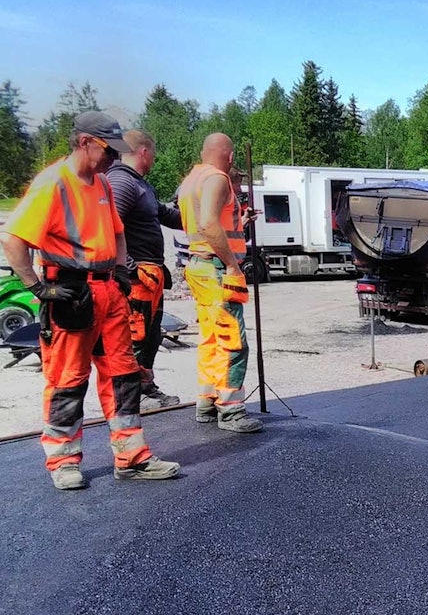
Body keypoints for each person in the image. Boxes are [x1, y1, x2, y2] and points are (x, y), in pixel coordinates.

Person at [0, 111, 181, 490]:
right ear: (84, 142)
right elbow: (12, 240)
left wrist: (119, 272)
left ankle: (131, 456)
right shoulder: (54, 184)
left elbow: (117, 232)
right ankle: (63, 460)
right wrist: (38, 288)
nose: (114, 159)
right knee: (68, 380)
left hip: (107, 292)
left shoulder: (100, 183)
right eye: (107, 151)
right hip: (70, 293)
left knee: (123, 375)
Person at [176, 133, 262, 433]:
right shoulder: (217, 178)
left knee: (211, 338)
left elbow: (211, 222)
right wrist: (232, 265)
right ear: (230, 155)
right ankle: (231, 409)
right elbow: (209, 224)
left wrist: (241, 221)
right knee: (232, 340)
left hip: (200, 266)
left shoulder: (192, 180)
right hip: (216, 268)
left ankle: (207, 400)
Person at [105, 129, 184, 408]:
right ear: (143, 152)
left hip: (150, 276)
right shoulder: (122, 182)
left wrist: (203, 213)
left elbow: (168, 216)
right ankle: (132, 396)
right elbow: (108, 226)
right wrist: (129, 269)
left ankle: (146, 386)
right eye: (153, 153)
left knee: (151, 336)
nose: (154, 159)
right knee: (136, 336)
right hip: (137, 276)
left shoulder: (141, 185)